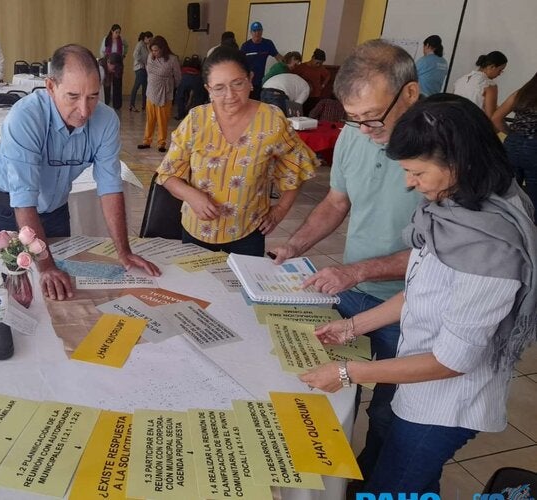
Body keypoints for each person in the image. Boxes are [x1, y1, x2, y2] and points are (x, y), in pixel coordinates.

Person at [301, 93, 536, 494]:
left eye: (417, 173)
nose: (410, 183)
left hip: (444, 405)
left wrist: (347, 372)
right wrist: (354, 326)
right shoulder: (455, 211)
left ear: (458, 162)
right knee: (402, 478)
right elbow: (424, 293)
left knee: (395, 487)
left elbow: (451, 361)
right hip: (420, 387)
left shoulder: (490, 246)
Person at [269, 39, 422, 481]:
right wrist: (294, 246)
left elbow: (441, 254)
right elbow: (337, 203)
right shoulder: (357, 134)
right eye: (354, 120)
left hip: (410, 308)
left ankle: (377, 483)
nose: (365, 130)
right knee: (330, 389)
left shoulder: (443, 147)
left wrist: (354, 270)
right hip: (352, 294)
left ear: (409, 94)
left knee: (393, 418)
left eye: (373, 118)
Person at [0, 44, 160, 300]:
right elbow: (24, 201)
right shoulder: (26, 117)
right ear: (51, 87)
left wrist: (124, 250)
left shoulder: (106, 121)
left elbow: (109, 187)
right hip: (7, 213)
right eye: (73, 97)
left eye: (93, 97)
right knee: (5, 294)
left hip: (54, 213)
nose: (85, 111)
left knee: (61, 295)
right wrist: (46, 265)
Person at [155, 46, 318, 256]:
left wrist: (280, 211)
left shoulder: (272, 120)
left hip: (248, 232)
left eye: (237, 83)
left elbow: (298, 166)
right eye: (219, 88)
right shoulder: (196, 120)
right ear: (208, 89)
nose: (230, 95)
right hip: (198, 231)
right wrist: (192, 196)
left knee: (243, 288)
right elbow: (167, 174)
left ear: (250, 80)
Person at [493, 72, 537, 219]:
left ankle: (504, 224)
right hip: (534, 148)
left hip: (512, 144)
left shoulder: (522, 93)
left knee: (507, 190)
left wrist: (512, 133)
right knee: (533, 193)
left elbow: (496, 118)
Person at [137, 36, 181, 153]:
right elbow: (150, 71)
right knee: (150, 119)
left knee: (162, 120)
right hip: (151, 92)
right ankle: (147, 141)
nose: (154, 52)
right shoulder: (150, 58)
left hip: (165, 93)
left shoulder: (172, 59)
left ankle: (161, 143)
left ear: (163, 49)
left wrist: (171, 85)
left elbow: (178, 77)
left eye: (156, 50)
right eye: (152, 50)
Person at [453, 50, 507, 118]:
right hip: (473, 125)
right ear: (492, 67)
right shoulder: (489, 85)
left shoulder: (460, 80)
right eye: (500, 70)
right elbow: (491, 117)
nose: (499, 74)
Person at [240, 22, 281, 99]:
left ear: (262, 31)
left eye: (259, 30)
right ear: (251, 32)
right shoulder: (245, 46)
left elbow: (278, 56)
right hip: (248, 80)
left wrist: (286, 65)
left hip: (261, 81)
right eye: (254, 31)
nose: (257, 33)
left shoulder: (268, 43)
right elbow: (240, 63)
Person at [98, 24, 127, 110]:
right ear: (112, 31)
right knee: (107, 85)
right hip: (109, 62)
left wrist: (123, 55)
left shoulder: (121, 40)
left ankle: (117, 105)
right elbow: (102, 51)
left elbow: (126, 47)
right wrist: (108, 60)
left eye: (119, 32)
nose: (117, 34)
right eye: (116, 32)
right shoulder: (106, 39)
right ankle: (105, 103)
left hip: (117, 63)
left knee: (117, 84)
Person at [293, 48, 330, 115]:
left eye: (321, 63)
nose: (318, 65)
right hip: (303, 95)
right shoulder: (302, 67)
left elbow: (328, 75)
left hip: (315, 97)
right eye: (317, 62)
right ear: (312, 58)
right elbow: (293, 77)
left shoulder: (321, 68)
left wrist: (323, 85)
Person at [174, 55, 207, 120]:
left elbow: (178, 76)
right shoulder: (199, 71)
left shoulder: (183, 69)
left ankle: (181, 115)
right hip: (197, 79)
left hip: (185, 78)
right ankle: (196, 116)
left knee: (180, 97)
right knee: (198, 98)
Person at [129, 31, 153, 112]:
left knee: (145, 87)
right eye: (149, 40)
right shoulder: (140, 44)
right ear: (145, 38)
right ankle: (132, 105)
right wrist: (143, 61)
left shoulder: (145, 46)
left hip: (144, 69)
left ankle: (144, 105)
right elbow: (135, 55)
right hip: (139, 68)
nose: (150, 42)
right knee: (137, 86)